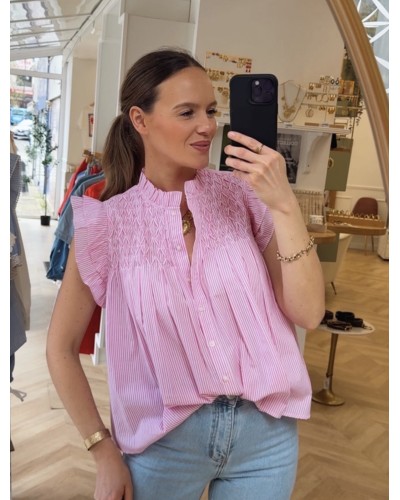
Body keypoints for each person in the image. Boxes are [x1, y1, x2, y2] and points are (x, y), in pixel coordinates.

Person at [46, 47, 325, 500]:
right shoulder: (107, 225)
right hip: (162, 444)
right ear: (140, 120)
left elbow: (309, 312)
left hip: (266, 440)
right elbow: (60, 349)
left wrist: (285, 204)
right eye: (187, 112)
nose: (207, 126)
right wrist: (102, 450)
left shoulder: (243, 198)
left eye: (211, 111)